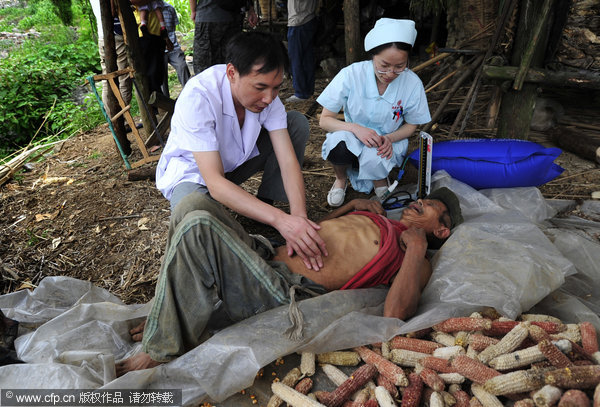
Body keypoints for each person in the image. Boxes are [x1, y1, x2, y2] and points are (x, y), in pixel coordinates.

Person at [115, 187, 464, 375]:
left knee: (198, 228)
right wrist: (349, 208)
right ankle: (173, 313)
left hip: (284, 288)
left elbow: (396, 314)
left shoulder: (414, 255)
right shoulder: (383, 221)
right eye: (421, 197)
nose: (418, 201)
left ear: (441, 229)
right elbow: (316, 231)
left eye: (429, 204)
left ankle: (159, 349)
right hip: (265, 253)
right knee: (192, 202)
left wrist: (418, 249)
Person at [155, 31, 327, 271]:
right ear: (232, 73)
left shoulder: (269, 99)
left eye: (276, 87)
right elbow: (214, 182)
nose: (269, 98)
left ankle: (263, 204)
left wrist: (299, 219)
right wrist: (280, 221)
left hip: (233, 165)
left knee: (295, 122)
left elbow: (288, 162)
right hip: (195, 174)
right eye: (260, 87)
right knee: (192, 214)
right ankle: (258, 223)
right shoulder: (199, 96)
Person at [317, 18, 431, 208]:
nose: (390, 73)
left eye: (399, 66)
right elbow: (325, 120)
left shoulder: (412, 83)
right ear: (372, 56)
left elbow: (412, 124)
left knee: (377, 153)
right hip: (353, 135)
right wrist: (356, 129)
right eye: (384, 65)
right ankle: (340, 179)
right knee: (338, 145)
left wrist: (390, 138)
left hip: (386, 141)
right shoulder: (351, 74)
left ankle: (380, 180)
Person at [190, 0, 258, 75]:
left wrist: (193, 10)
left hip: (207, 17)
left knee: (204, 66)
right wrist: (251, 10)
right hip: (233, 18)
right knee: (231, 62)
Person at [285, 0, 318, 103]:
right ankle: (307, 90)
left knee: (296, 59)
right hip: (308, 18)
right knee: (306, 58)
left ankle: (301, 92)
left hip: (298, 21)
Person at [160, 2, 191, 97]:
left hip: (173, 47)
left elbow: (172, 29)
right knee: (161, 77)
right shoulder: (148, 9)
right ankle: (166, 103)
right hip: (158, 50)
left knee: (182, 66)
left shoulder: (169, 8)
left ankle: (190, 93)